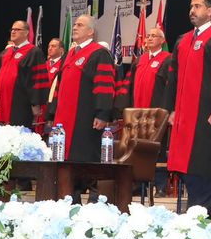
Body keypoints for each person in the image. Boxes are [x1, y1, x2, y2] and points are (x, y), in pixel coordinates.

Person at [156, 0, 211, 211]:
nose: (192, 10)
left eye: (197, 6)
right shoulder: (183, 40)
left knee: (202, 164)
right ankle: (193, 211)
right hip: (183, 116)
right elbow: (173, 77)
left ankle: (200, 213)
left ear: (210, 11)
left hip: (206, 114)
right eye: (191, 6)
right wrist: (171, 110)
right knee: (183, 164)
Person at [49, 14, 118, 162]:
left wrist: (102, 114)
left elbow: (105, 86)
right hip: (63, 117)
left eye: (80, 25)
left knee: (82, 157)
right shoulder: (69, 54)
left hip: (85, 116)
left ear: (90, 31)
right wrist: (53, 111)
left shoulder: (99, 53)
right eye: (74, 24)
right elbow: (59, 85)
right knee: (62, 157)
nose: (74, 27)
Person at [0, 18, 41, 127]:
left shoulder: (33, 52)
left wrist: (35, 103)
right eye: (12, 29)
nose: (13, 32)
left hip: (20, 103)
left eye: (17, 29)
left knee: (17, 134)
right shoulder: (6, 53)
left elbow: (37, 78)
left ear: (26, 33)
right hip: (1, 103)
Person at [124, 28, 169, 109]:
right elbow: (130, 84)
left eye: (153, 36)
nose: (150, 38)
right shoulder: (139, 60)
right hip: (136, 108)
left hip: (157, 108)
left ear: (162, 40)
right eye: (148, 36)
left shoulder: (168, 59)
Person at [34, 37, 65, 132]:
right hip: (41, 105)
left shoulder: (63, 65)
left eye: (53, 46)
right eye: (49, 46)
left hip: (54, 106)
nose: (50, 48)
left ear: (61, 50)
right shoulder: (44, 64)